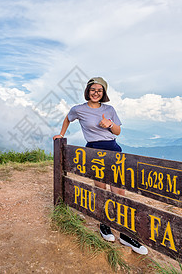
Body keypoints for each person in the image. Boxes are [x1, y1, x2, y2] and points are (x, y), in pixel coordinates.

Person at [53, 77, 148, 255]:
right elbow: (67, 118)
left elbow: (118, 131)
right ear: (87, 91)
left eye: (99, 90)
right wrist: (61, 134)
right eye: (93, 89)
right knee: (101, 189)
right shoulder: (78, 109)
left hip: (113, 149)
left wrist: (110, 124)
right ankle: (105, 224)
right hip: (93, 151)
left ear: (103, 93)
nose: (96, 93)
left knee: (118, 191)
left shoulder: (109, 109)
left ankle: (125, 234)